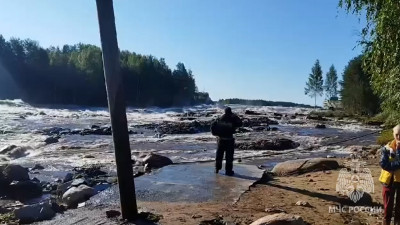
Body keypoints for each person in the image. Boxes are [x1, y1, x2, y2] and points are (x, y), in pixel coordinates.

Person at [211, 107, 242, 176]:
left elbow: (213, 125)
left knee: (219, 155)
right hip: (229, 140)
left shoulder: (220, 118)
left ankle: (217, 169)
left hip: (221, 139)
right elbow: (240, 123)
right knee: (229, 156)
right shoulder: (232, 119)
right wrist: (235, 116)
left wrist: (216, 134)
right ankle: (228, 171)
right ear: (230, 112)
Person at [380, 124, 400, 225]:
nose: (399, 137)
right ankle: (386, 222)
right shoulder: (386, 148)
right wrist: (394, 165)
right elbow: (383, 164)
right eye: (397, 134)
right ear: (393, 134)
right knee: (388, 205)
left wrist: (392, 164)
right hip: (388, 180)